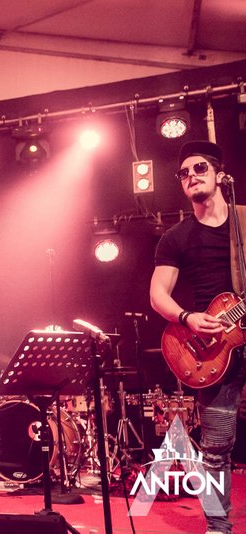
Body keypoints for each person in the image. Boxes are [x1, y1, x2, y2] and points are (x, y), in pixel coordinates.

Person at [149, 141, 244, 534]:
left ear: (220, 174)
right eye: (184, 172)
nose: (191, 176)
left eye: (200, 168)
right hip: (213, 351)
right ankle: (218, 526)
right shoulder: (176, 237)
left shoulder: (244, 221)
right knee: (217, 447)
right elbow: (157, 295)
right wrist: (187, 318)